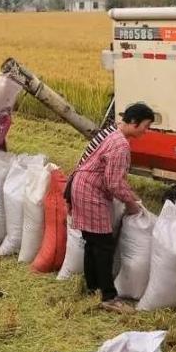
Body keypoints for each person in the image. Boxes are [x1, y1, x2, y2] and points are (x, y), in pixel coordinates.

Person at [69, 102, 154, 313]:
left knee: (91, 242)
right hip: (91, 192)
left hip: (81, 186)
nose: (146, 130)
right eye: (146, 125)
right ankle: (108, 297)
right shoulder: (121, 145)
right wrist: (132, 203)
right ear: (134, 123)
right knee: (104, 245)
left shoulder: (112, 132)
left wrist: (129, 194)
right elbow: (113, 183)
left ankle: (92, 287)